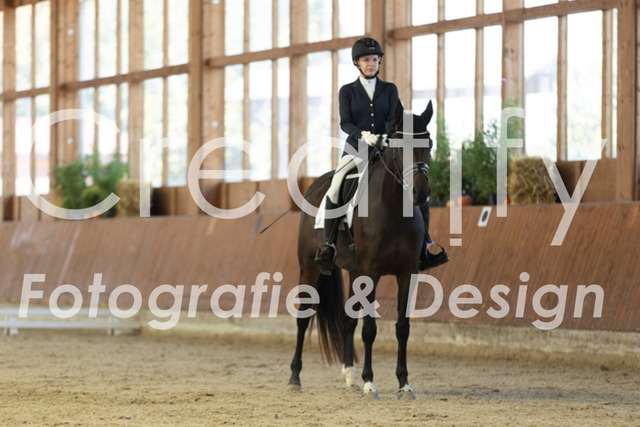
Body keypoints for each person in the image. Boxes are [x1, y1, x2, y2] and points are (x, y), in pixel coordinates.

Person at [314, 37, 448, 274]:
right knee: (335, 187)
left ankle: (424, 246)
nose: (371, 64)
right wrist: (364, 135)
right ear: (357, 62)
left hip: (386, 150)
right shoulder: (347, 91)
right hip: (356, 149)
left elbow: (395, 119)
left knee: (418, 186)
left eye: (375, 60)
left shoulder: (389, 89)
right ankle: (329, 246)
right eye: (366, 60)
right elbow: (345, 122)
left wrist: (387, 136)